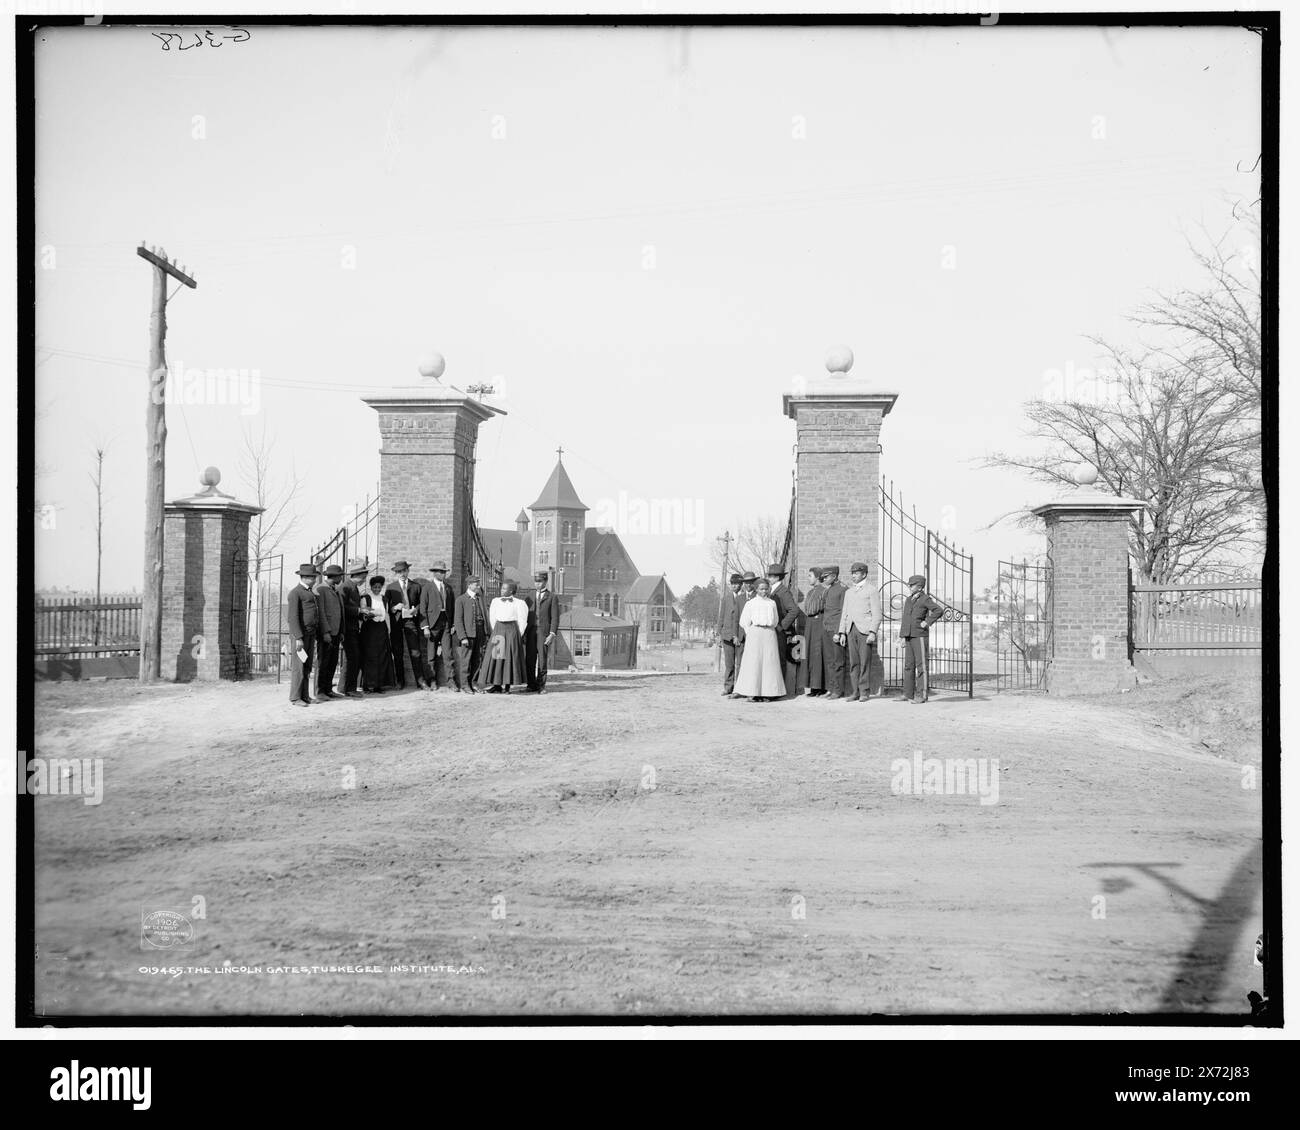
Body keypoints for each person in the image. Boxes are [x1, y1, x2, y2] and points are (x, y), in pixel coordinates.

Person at [835, 561, 883, 703]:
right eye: (853, 573)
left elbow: (877, 614)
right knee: (854, 663)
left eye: (856, 573)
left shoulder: (871, 590)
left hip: (865, 631)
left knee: (865, 662)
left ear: (864, 574)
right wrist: (842, 632)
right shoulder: (849, 592)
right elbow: (844, 613)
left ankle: (864, 692)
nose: (853, 576)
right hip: (851, 630)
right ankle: (855, 692)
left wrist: (872, 632)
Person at [733, 578, 787, 702]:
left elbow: (775, 620)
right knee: (754, 663)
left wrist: (769, 628)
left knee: (769, 663)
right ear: (756, 589)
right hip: (755, 634)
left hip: (769, 634)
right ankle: (753, 693)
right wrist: (751, 632)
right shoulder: (751, 603)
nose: (764, 591)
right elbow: (744, 621)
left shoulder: (772, 603)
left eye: (766, 589)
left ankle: (768, 693)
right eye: (761, 589)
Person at [899, 573, 947, 704]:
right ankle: (908, 694)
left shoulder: (925, 599)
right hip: (909, 636)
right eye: (909, 585)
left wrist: (927, 622)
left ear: (920, 587)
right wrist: (903, 636)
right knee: (908, 666)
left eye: (912, 585)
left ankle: (922, 695)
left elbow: (939, 610)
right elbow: (905, 619)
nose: (910, 587)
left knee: (922, 667)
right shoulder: (908, 599)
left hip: (919, 636)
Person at [479, 579, 530, 693]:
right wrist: (496, 631)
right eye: (501, 588)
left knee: (509, 657)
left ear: (511, 591)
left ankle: (507, 685)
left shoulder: (519, 603)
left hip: (512, 631)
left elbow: (522, 620)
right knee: (497, 656)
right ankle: (497, 685)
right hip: (499, 629)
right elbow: (492, 617)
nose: (501, 590)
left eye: (504, 588)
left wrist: (517, 635)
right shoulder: (495, 601)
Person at [384, 560, 428, 690]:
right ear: (396, 573)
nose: (402, 574)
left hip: (411, 621)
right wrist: (394, 608)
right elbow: (386, 606)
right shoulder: (391, 587)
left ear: (408, 571)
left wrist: (416, 610)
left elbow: (421, 603)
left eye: (404, 571)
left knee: (416, 652)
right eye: (399, 572)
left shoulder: (416, 586)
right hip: (396, 622)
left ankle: (421, 681)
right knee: (397, 652)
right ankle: (400, 681)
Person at [419, 560, 457, 691]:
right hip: (432, 624)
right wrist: (425, 627)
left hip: (446, 623)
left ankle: (451, 681)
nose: (443, 574)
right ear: (434, 573)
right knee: (431, 655)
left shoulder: (448, 588)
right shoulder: (427, 587)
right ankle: (432, 681)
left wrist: (452, 624)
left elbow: (452, 607)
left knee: (448, 654)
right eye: (440, 572)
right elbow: (422, 608)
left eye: (444, 572)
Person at [765, 562, 801, 699]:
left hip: (781, 632)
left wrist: (781, 626)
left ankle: (780, 691)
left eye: (771, 576)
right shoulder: (772, 591)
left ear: (777, 577)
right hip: (773, 631)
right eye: (769, 575)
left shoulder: (783, 592)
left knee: (780, 660)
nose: (769, 578)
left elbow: (794, 610)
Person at [286, 563, 320, 707]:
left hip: (310, 634)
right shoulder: (295, 593)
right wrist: (298, 638)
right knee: (299, 667)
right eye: (312, 577)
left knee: (307, 666)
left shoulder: (310, 592)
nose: (314, 580)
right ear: (304, 577)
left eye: (314, 577)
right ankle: (295, 697)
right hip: (300, 635)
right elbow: (292, 618)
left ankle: (305, 696)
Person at [358, 574, 395, 693]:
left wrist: (388, 630)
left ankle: (378, 685)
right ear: (371, 587)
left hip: (381, 629)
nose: (377, 589)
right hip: (369, 630)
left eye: (379, 587)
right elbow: (363, 612)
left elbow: (386, 614)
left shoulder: (384, 599)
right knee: (370, 656)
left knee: (382, 656)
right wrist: (371, 613)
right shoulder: (366, 598)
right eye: (375, 587)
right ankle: (367, 685)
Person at [313, 564, 345, 699]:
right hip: (327, 633)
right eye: (340, 576)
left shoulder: (335, 589)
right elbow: (321, 612)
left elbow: (340, 612)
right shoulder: (321, 589)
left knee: (332, 662)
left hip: (336, 632)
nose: (341, 578)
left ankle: (328, 689)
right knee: (323, 663)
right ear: (334, 576)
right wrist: (325, 632)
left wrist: (341, 631)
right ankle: (320, 691)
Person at [453, 575, 490, 693]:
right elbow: (458, 620)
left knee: (477, 660)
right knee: (466, 660)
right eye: (476, 584)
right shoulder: (461, 600)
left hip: (480, 632)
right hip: (468, 635)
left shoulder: (480, 598)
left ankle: (473, 683)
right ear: (469, 585)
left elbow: (485, 616)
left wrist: (486, 632)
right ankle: (465, 685)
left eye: (478, 583)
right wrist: (463, 637)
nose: (478, 586)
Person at [818, 566, 849, 699]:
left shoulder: (843, 589)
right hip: (827, 629)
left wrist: (839, 632)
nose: (824, 579)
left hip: (835, 630)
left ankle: (838, 690)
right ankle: (831, 688)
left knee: (838, 661)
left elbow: (843, 612)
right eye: (823, 577)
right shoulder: (829, 589)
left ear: (834, 576)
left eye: (826, 577)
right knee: (829, 661)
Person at [338, 559, 368, 698]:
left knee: (351, 658)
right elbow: (342, 607)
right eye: (363, 577)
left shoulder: (353, 587)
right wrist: (359, 611)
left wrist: (363, 613)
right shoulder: (346, 587)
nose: (364, 580)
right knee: (352, 658)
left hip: (353, 628)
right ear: (357, 575)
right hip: (347, 629)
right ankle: (349, 689)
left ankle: (343, 687)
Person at [801, 566, 829, 697]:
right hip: (810, 624)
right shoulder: (810, 592)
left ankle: (820, 687)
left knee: (818, 654)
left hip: (819, 624)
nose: (808, 578)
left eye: (810, 576)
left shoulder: (824, 591)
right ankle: (813, 687)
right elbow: (808, 609)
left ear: (817, 577)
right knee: (810, 655)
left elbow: (820, 608)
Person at [716, 572, 745, 697]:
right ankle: (728, 687)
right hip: (727, 635)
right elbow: (721, 617)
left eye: (737, 584)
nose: (734, 586)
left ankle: (740, 688)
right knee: (729, 664)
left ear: (741, 585)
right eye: (732, 584)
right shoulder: (726, 598)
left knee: (740, 663)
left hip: (740, 635)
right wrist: (719, 634)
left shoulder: (744, 598)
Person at [531, 571, 560, 693]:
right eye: (535, 581)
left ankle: (541, 686)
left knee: (542, 660)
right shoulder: (529, 595)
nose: (537, 584)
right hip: (530, 631)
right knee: (529, 659)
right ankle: (531, 685)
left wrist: (552, 634)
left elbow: (555, 617)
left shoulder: (552, 597)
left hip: (543, 632)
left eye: (540, 581)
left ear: (545, 581)